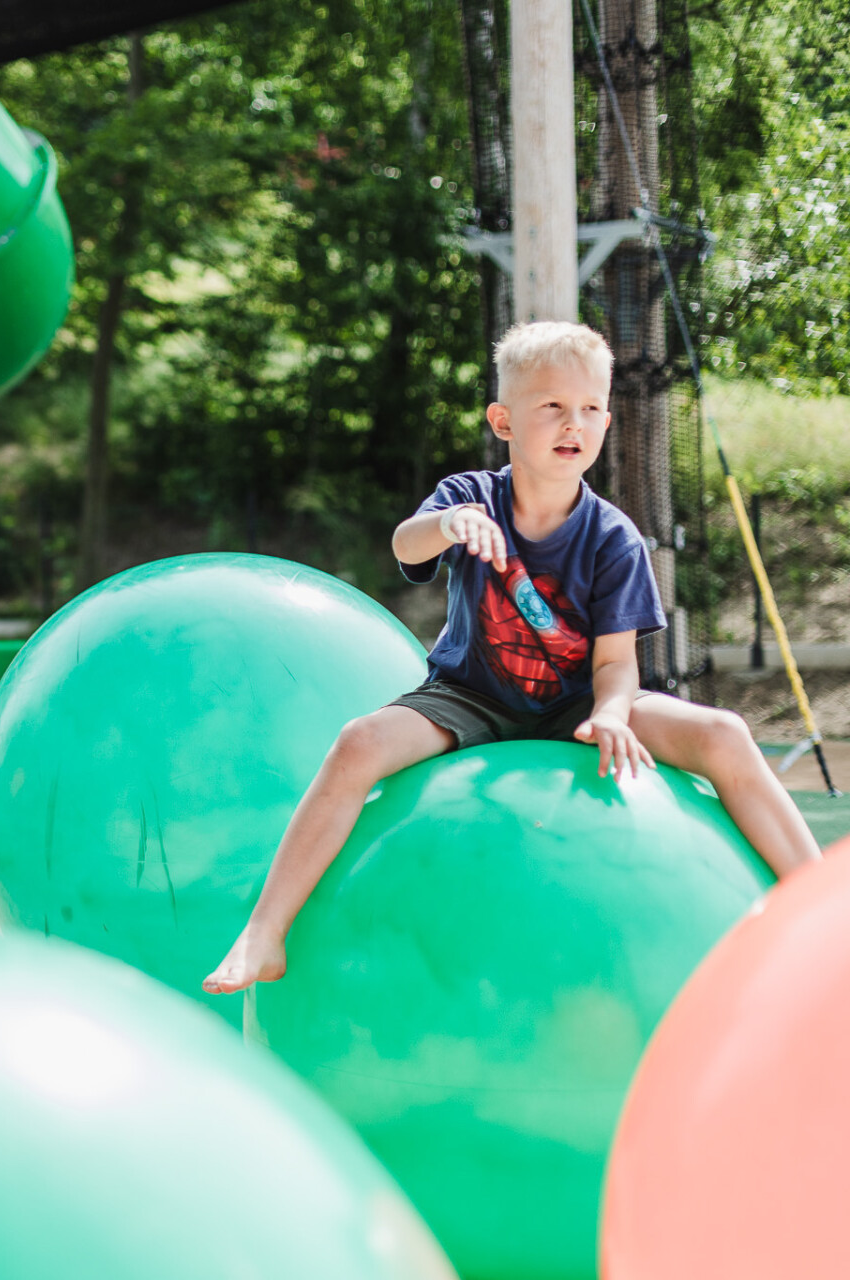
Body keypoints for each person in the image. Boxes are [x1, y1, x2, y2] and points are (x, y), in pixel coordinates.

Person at [203, 320, 821, 996]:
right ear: (504, 421)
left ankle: (821, 909)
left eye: (589, 407)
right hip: (470, 695)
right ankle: (264, 932)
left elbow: (616, 664)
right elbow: (407, 546)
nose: (572, 422)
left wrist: (612, 713)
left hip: (579, 703)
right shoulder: (471, 497)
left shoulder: (614, 538)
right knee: (358, 743)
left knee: (725, 734)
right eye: (551, 405)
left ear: (606, 422)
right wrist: (447, 525)